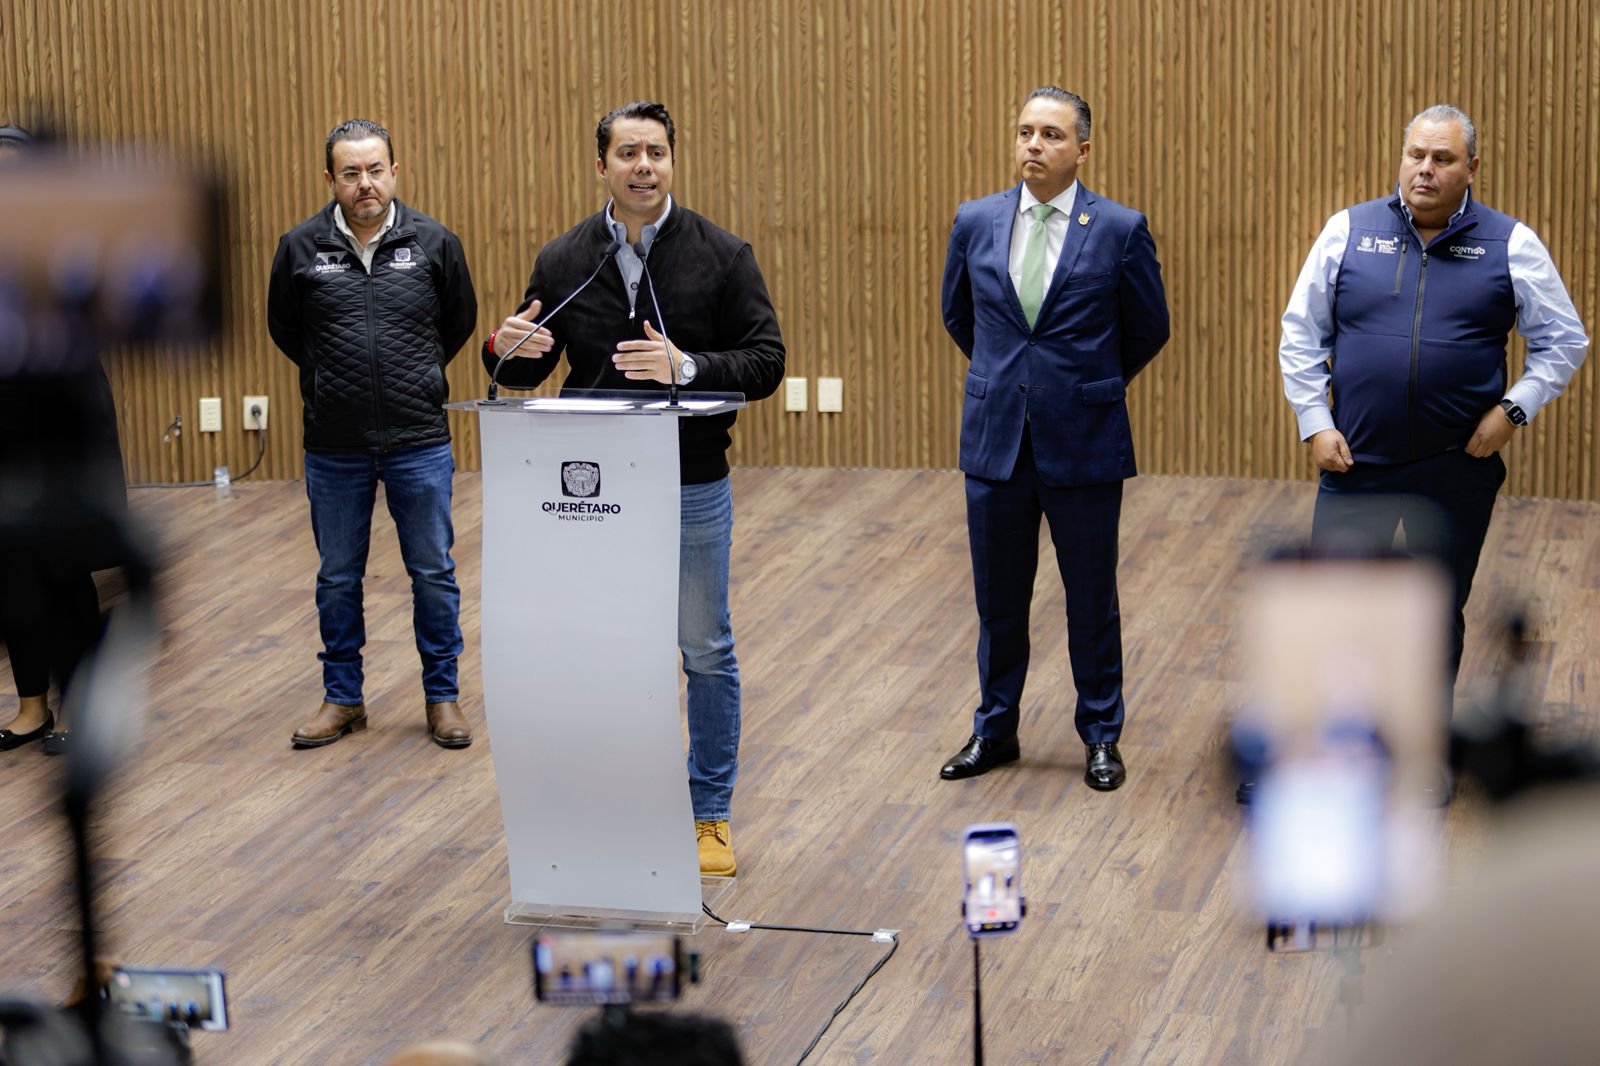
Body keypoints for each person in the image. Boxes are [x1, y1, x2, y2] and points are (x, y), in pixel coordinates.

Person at [483, 101, 784, 875]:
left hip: (688, 483)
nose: (643, 166)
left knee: (704, 649)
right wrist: (505, 348)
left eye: (655, 152)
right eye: (627, 154)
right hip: (589, 497)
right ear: (602, 167)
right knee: (601, 652)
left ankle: (707, 814)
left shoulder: (724, 255)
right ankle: (614, 807)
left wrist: (688, 367)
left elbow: (766, 362)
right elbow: (522, 367)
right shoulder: (563, 258)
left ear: (672, 161)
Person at [1278, 103, 1589, 712]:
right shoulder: (1348, 230)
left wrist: (1514, 410)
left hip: (1455, 466)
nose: (1425, 169)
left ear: (1471, 167)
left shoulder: (1510, 243)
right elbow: (1301, 333)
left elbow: (1564, 340)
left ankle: (1423, 745)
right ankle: (1332, 743)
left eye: (1442, 158)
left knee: (1435, 613)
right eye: (1415, 155)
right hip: (1356, 462)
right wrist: (1314, 422)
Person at [937, 85, 1169, 791]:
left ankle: (1100, 735)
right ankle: (995, 728)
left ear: (1082, 150)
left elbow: (1148, 327)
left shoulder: (1120, 228)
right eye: (1025, 132)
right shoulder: (975, 220)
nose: (1034, 145)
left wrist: (1084, 383)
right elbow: (958, 316)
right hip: (997, 440)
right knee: (998, 600)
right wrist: (1012, 380)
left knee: (1091, 600)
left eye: (1051, 135)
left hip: (1085, 439)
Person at [268, 118, 479, 750]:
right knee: (337, 577)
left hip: (419, 438)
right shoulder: (299, 248)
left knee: (433, 573)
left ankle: (442, 697)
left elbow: (458, 321)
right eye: (351, 173)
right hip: (335, 444)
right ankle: (343, 698)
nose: (366, 183)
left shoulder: (434, 242)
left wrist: (417, 374)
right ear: (330, 179)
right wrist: (331, 379)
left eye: (376, 170)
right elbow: (286, 329)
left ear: (395, 172)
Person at [0, 123, 122, 757]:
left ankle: (81, 703)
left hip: (61, 427)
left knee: (65, 567)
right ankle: (31, 707)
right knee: (11, 571)